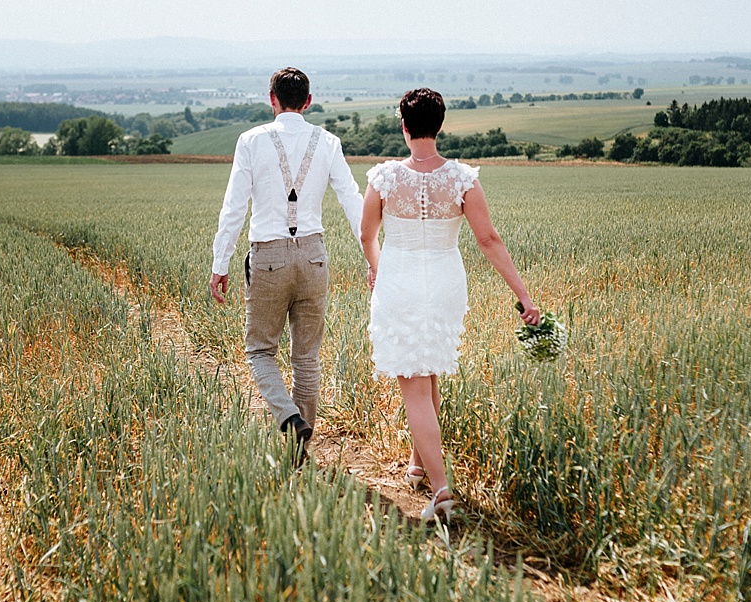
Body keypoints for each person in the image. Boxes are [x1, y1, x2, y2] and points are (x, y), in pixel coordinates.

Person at [360, 87, 541, 521]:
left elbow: (367, 236)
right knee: (428, 371)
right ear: (439, 126)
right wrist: (524, 295)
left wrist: (377, 268)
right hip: (444, 282)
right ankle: (419, 464)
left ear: (404, 127)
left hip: (400, 279)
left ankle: (441, 492)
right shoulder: (462, 178)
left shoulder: (384, 178)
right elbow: (488, 240)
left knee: (415, 383)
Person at [211, 67, 364, 461]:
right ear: (308, 102)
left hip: (269, 256)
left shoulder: (250, 141)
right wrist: (372, 257)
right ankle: (302, 447)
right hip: (314, 256)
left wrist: (220, 262)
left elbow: (234, 207)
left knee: (260, 351)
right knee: (306, 356)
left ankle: (288, 416)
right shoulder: (328, 141)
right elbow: (351, 199)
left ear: (271, 99)